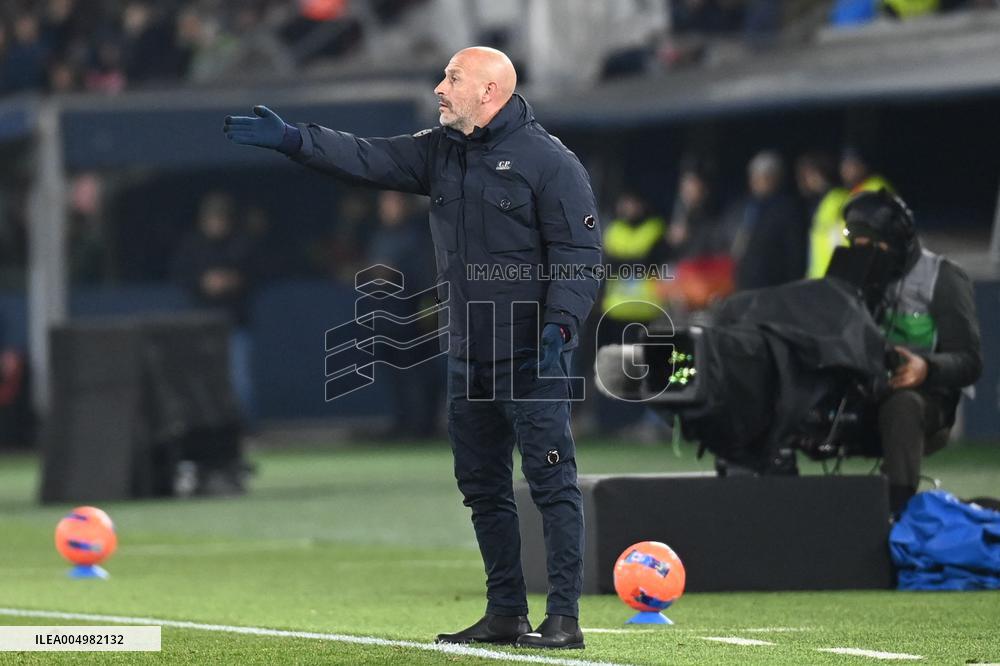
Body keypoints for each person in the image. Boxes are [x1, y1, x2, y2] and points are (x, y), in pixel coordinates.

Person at [223, 46, 602, 649]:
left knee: (552, 485)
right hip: (468, 353)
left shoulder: (550, 162)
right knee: (482, 487)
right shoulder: (441, 151)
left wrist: (561, 328)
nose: (439, 88)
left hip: (532, 355)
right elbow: (367, 157)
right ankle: (506, 611)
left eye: (453, 78)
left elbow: (579, 256)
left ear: (491, 91)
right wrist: (295, 139)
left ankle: (564, 619)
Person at [843, 190, 982, 514]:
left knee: (902, 405)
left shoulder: (942, 277)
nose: (866, 255)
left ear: (897, 240)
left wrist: (927, 368)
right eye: (858, 247)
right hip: (864, 390)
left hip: (926, 398)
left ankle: (898, 511)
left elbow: (970, 361)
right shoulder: (852, 273)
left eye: (874, 245)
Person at [171, 192, 258, 423]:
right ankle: (206, 432)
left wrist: (233, 280)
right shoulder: (192, 245)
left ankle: (244, 430)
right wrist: (203, 282)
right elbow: (182, 277)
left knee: (241, 381)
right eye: (212, 219)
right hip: (202, 326)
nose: (217, 224)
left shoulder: (241, 244)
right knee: (202, 381)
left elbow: (257, 275)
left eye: (221, 219)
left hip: (235, 324)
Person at [730, 150, 807, 291]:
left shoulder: (786, 209)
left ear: (775, 177)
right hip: (745, 287)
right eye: (754, 176)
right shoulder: (748, 207)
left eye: (762, 176)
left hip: (772, 289)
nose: (755, 181)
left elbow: (794, 254)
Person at [796, 152, 850, 279]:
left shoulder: (837, 199)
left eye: (805, 175)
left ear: (817, 173)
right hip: (820, 278)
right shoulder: (820, 202)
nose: (803, 180)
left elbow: (846, 237)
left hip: (835, 278)